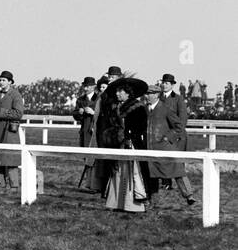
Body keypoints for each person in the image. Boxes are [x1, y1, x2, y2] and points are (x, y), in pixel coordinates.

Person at [143, 83, 195, 207]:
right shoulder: (144, 109)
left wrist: (168, 137)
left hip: (165, 147)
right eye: (147, 94)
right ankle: (151, 200)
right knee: (151, 174)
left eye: (150, 94)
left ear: (156, 95)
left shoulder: (165, 108)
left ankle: (189, 195)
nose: (147, 96)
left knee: (178, 170)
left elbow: (179, 126)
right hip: (150, 148)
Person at [102, 84, 148, 213]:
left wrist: (128, 135)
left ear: (127, 93)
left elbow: (141, 126)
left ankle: (132, 205)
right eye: (117, 91)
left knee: (131, 173)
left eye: (120, 91)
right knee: (116, 172)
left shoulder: (138, 107)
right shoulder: (114, 107)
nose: (117, 94)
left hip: (131, 144)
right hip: (116, 144)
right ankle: (116, 203)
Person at [158, 73, 198, 202]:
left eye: (167, 83)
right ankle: (166, 184)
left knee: (178, 166)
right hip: (161, 137)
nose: (164, 85)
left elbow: (182, 120)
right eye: (163, 83)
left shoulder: (178, 99)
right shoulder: (158, 98)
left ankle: (188, 194)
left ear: (172, 85)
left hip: (176, 137)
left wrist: (173, 135)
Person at [0, 71, 25, 188]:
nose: (1, 82)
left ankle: (14, 186)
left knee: (11, 160)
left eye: (4, 80)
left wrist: (1, 112)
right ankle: (1, 185)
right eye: (0, 80)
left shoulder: (15, 95)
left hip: (9, 132)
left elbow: (18, 113)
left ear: (10, 82)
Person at [73, 76, 99, 189]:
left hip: (94, 131)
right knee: (86, 157)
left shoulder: (98, 98)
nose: (86, 88)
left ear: (93, 86)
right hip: (84, 131)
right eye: (85, 86)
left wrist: (93, 112)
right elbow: (75, 115)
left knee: (95, 158)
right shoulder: (80, 100)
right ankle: (89, 182)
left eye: (88, 86)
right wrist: (79, 112)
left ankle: (95, 182)